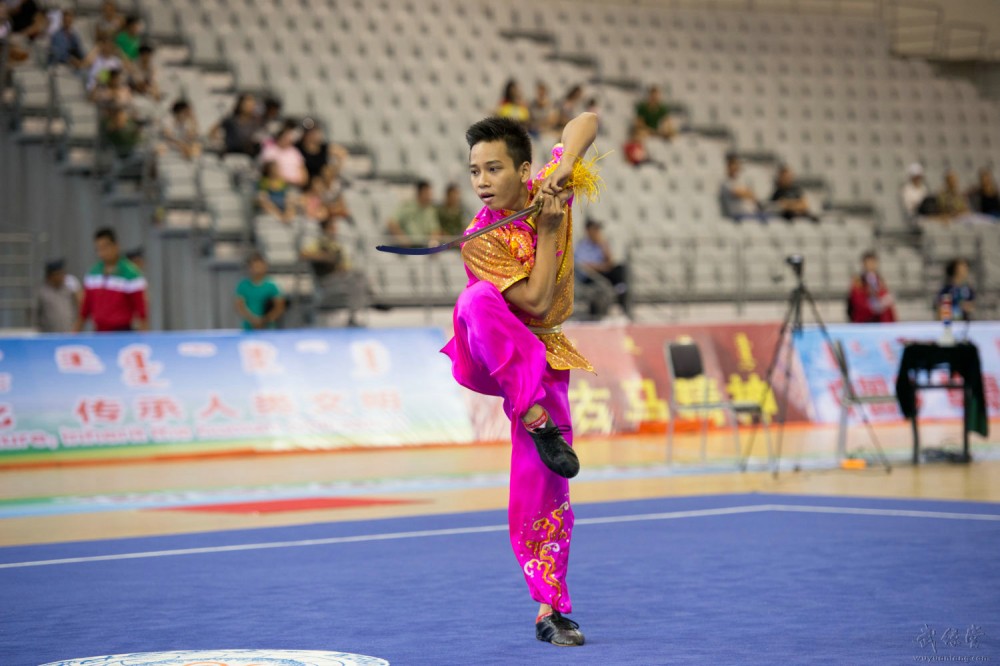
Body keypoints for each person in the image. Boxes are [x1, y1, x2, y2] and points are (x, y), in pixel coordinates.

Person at [440, 112, 599, 647]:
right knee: (474, 298)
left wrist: (567, 164)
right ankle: (532, 414)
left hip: (546, 354)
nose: (481, 182)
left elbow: (587, 120)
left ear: (524, 170)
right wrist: (550, 231)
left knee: (545, 484)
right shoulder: (479, 238)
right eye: (474, 171)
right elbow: (535, 300)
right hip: (495, 352)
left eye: (493, 169)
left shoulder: (548, 188)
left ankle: (548, 610)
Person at [74, 228, 148, 332]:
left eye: (105, 247)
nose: (102, 253)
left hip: (122, 332)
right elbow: (85, 309)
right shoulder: (93, 273)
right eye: (98, 249)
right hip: (99, 332)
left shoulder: (131, 274)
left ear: (116, 246)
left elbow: (141, 312)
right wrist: (74, 333)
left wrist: (144, 337)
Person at [299, 218, 368, 326]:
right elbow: (303, 254)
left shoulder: (336, 245)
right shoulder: (319, 243)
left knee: (359, 277)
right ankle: (354, 314)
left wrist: (342, 268)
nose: (334, 231)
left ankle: (354, 313)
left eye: (335, 228)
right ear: (325, 229)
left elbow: (345, 266)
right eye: (331, 228)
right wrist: (324, 257)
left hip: (339, 277)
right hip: (325, 279)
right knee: (355, 281)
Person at [575, 219, 628, 317]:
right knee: (604, 277)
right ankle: (618, 292)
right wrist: (602, 267)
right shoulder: (583, 246)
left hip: (602, 272)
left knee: (620, 268)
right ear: (588, 230)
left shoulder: (601, 244)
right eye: (594, 229)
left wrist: (603, 245)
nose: (597, 231)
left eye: (598, 229)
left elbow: (610, 262)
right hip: (590, 276)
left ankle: (620, 290)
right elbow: (584, 266)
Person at [235, 252, 285, 331]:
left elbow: (279, 307)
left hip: (268, 328)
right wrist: (253, 320)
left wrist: (265, 320)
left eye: (259, 266)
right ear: (249, 268)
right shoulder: (243, 285)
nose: (257, 269)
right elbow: (239, 306)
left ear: (265, 267)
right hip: (248, 328)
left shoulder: (272, 286)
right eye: (254, 267)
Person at [386, 180, 440, 247]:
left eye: (430, 193)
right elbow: (391, 223)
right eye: (427, 193)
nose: (430, 196)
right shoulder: (407, 206)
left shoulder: (430, 210)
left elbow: (435, 229)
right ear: (419, 193)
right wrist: (402, 239)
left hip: (424, 247)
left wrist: (433, 241)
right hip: (408, 247)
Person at [847, 250, 896, 324]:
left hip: (879, 320)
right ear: (864, 264)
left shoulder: (880, 281)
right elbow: (857, 302)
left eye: (873, 262)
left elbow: (885, 298)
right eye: (869, 262)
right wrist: (874, 308)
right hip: (864, 320)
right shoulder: (858, 281)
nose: (871, 265)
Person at [36, 259, 81, 333]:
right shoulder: (43, 293)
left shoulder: (69, 289)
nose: (62, 276)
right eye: (59, 274)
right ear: (50, 276)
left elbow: (80, 305)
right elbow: (36, 314)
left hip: (69, 333)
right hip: (50, 335)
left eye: (63, 273)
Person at [259, 121, 308, 187]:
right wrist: (287, 181)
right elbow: (271, 170)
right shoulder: (270, 150)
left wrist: (301, 181)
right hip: (277, 185)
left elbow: (303, 169)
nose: (287, 139)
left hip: (296, 186)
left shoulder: (295, 152)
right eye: (285, 137)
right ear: (280, 137)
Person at [719, 153, 766, 222]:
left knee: (772, 219)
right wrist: (748, 193)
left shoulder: (740, 181)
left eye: (737, 165)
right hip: (737, 215)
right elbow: (738, 193)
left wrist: (748, 193)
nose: (736, 168)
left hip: (750, 214)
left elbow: (752, 195)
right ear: (728, 167)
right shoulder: (725, 183)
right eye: (734, 165)